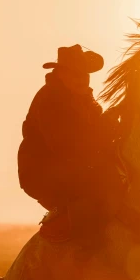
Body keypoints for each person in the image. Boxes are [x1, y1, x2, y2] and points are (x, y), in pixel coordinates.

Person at [18, 44, 123, 252]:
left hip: (69, 165)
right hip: (45, 172)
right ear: (61, 73)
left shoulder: (82, 97)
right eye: (76, 73)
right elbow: (69, 145)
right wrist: (109, 126)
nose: (82, 78)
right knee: (99, 188)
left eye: (85, 73)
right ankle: (90, 249)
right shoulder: (51, 100)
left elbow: (94, 135)